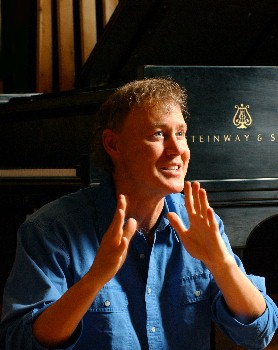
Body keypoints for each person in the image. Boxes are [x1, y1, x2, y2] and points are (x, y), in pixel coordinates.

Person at [0, 77, 277, 350]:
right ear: (113, 145)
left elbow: (258, 333)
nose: (177, 150)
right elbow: (21, 342)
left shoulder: (200, 221)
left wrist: (220, 262)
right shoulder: (50, 230)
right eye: (158, 134)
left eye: (180, 133)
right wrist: (94, 279)